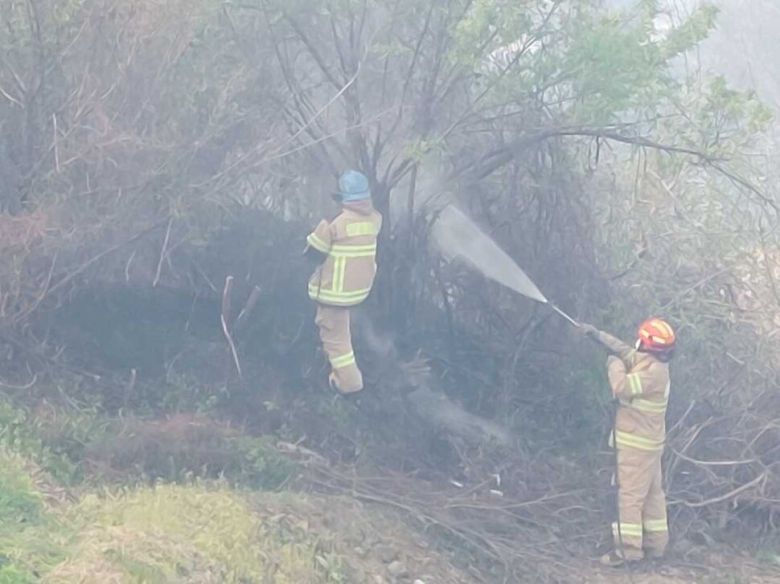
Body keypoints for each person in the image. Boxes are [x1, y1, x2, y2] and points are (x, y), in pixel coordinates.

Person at [579, 318, 676, 566]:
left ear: (645, 342)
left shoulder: (654, 373)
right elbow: (626, 352)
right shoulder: (652, 361)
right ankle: (656, 546)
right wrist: (598, 334)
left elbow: (621, 386)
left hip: (637, 447)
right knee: (653, 494)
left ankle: (628, 552)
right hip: (649, 446)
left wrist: (613, 365)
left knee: (630, 496)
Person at [304, 170, 382, 394]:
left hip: (333, 294)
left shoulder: (333, 224)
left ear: (342, 198)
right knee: (342, 331)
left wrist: (323, 224)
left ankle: (349, 385)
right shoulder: (375, 219)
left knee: (336, 341)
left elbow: (313, 254)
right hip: (356, 292)